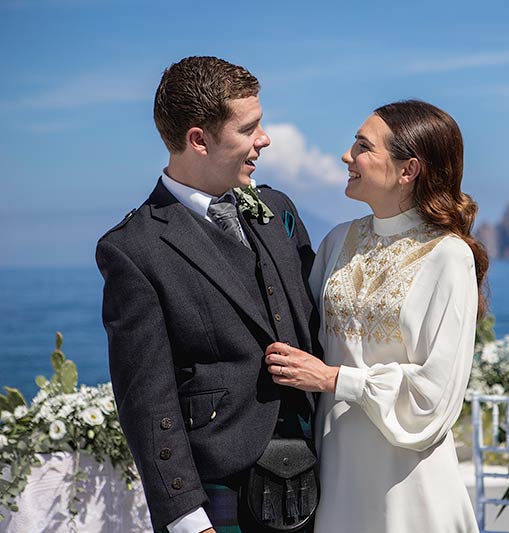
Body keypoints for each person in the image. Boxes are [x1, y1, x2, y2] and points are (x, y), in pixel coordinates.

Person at [96, 56, 320, 533]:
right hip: (223, 493)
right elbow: (145, 397)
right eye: (249, 128)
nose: (265, 139)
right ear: (199, 139)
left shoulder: (277, 209)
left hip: (320, 472)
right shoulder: (133, 249)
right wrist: (185, 519)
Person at [265, 100, 488, 532]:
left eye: (363, 147)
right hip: (337, 483)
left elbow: (434, 396)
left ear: (409, 170)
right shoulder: (336, 241)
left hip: (409, 486)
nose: (347, 156)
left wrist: (334, 379)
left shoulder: (448, 257)